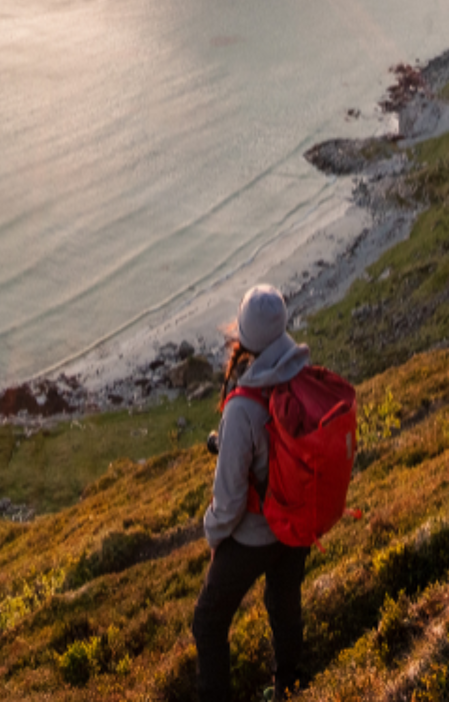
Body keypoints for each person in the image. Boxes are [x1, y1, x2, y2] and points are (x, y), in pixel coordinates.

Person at [193, 283, 310, 701]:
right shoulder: (301, 372)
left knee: (207, 622)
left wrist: (213, 536)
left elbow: (228, 502)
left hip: (256, 534)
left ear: (243, 335)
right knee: (283, 600)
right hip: (297, 521)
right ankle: (289, 685)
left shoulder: (242, 409)